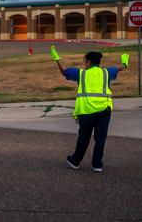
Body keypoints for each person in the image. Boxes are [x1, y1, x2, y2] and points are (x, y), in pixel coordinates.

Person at [51, 45, 128, 173]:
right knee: (100, 138)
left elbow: (64, 71)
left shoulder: (81, 74)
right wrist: (125, 64)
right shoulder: (106, 72)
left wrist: (57, 58)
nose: (84, 63)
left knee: (84, 138)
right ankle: (97, 165)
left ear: (89, 62)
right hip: (104, 110)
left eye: (84, 61)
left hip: (87, 112)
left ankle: (75, 161)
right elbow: (119, 69)